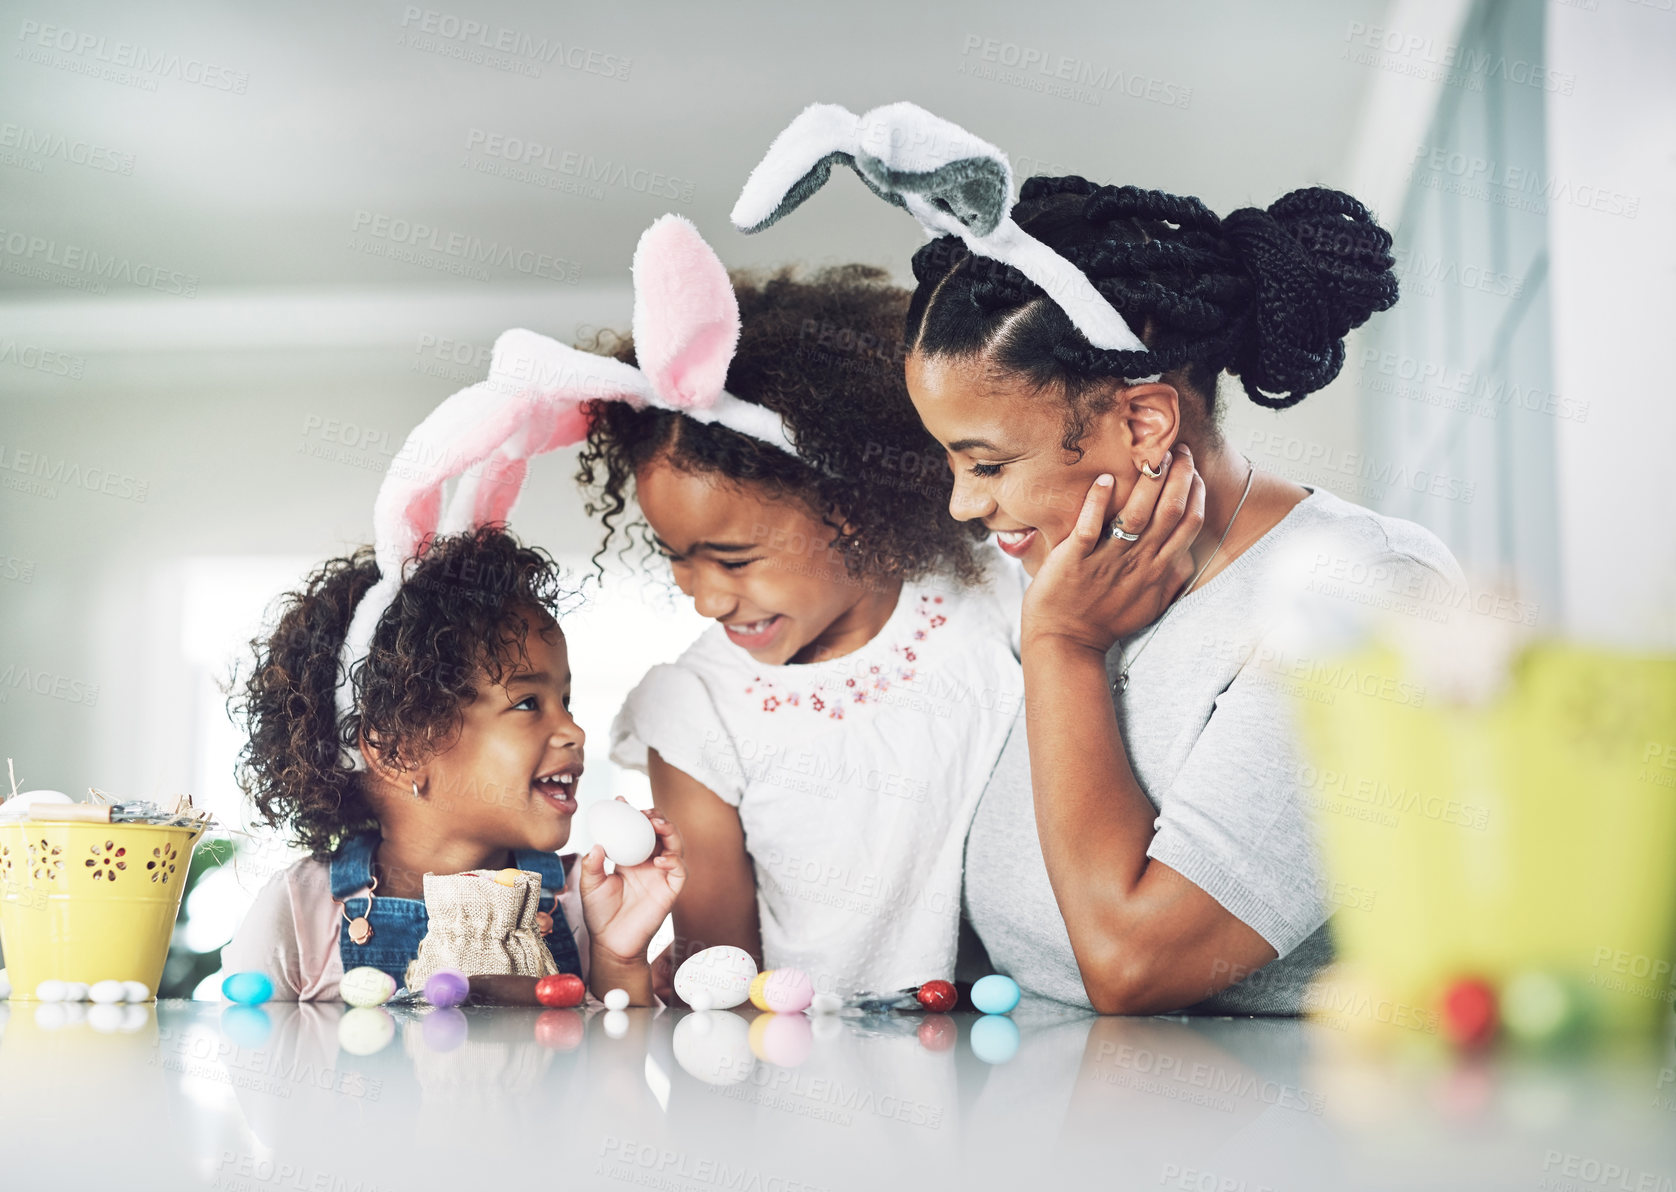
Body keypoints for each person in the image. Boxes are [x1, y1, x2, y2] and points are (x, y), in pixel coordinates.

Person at [733, 101, 1465, 1013]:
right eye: (953, 460)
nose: (964, 503)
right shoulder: (1060, 580)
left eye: (990, 462)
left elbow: (1136, 962)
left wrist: (1066, 651)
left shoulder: (1368, 593)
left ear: (1144, 421)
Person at [584, 259, 1024, 997]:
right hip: (801, 1078)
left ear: (848, 506)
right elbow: (718, 977)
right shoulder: (695, 711)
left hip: (1009, 1061)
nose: (708, 600)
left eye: (733, 558)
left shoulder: (987, 602)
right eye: (678, 559)